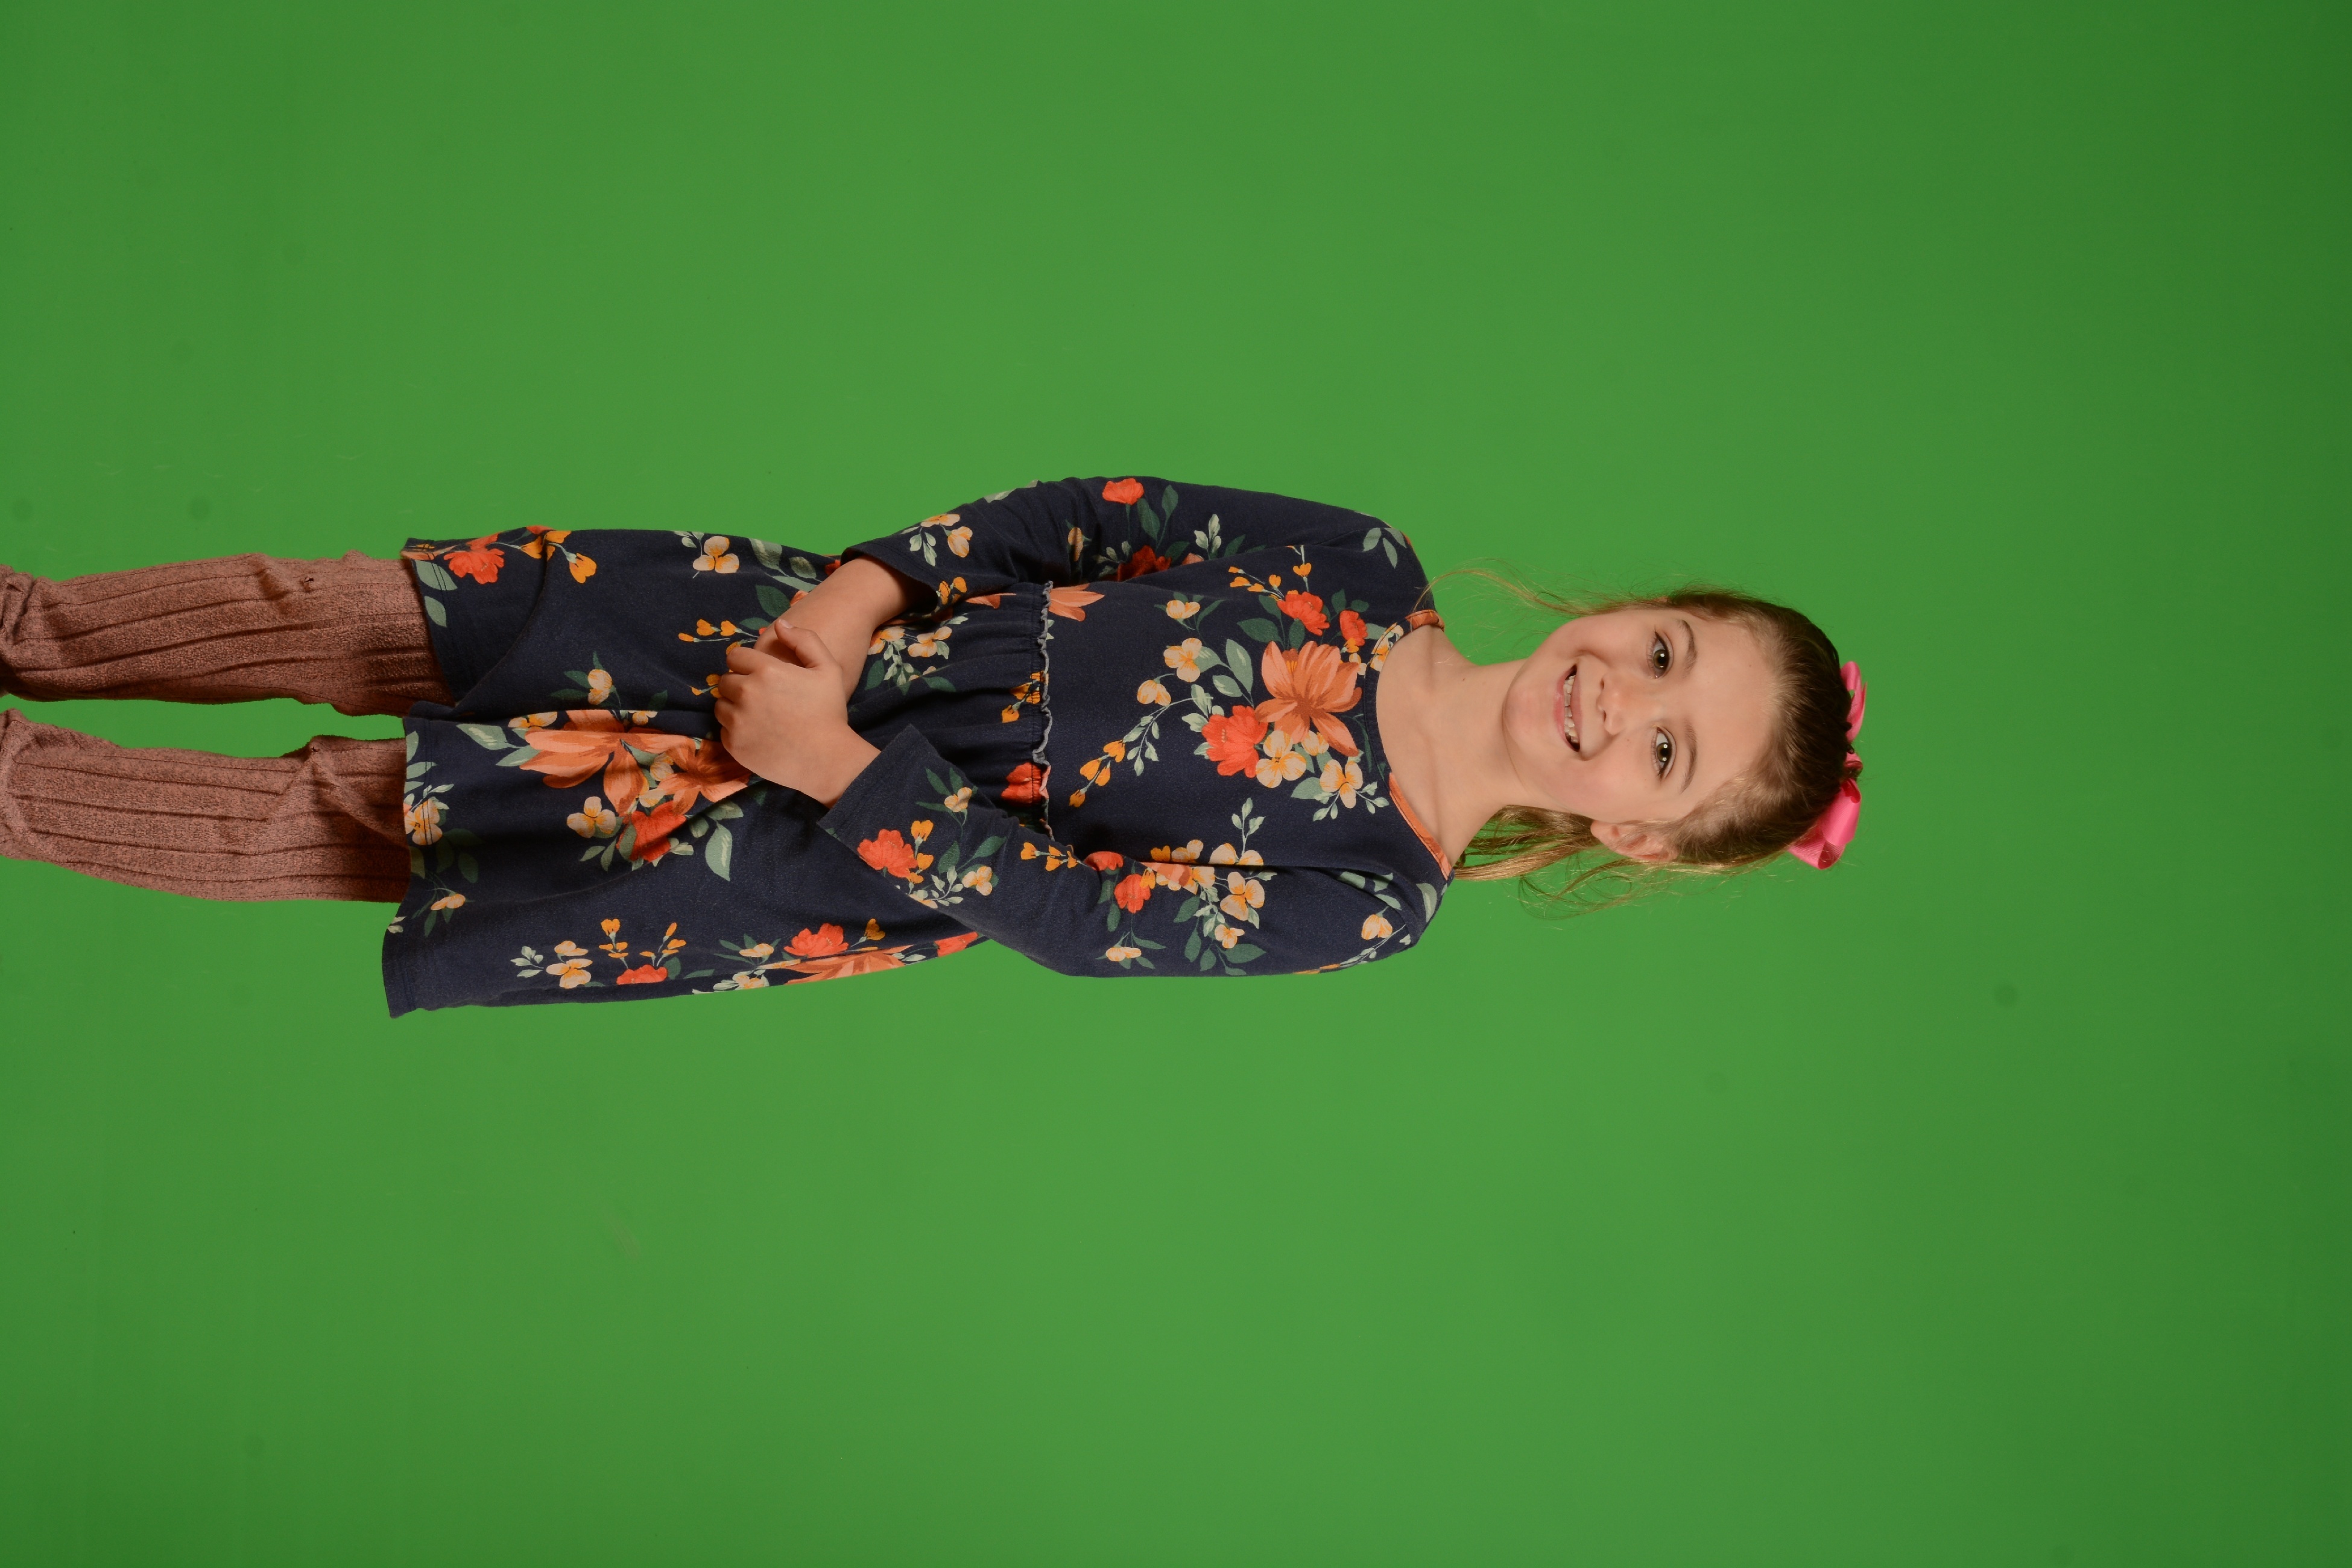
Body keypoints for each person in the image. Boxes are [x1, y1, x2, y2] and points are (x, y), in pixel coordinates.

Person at [0, 476, 1865, 1013]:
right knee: (350, 612)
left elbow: (1078, 918)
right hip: (779, 633)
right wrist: (855, 604)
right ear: (1640, 605)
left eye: (1665, 755)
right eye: (1664, 653)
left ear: (1638, 837)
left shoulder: (1371, 893)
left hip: (788, 831)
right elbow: (1077, 518)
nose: (1618, 699)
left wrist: (828, 760)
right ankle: (26, 624)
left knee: (344, 816)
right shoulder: (1359, 568)